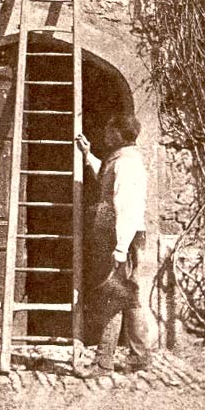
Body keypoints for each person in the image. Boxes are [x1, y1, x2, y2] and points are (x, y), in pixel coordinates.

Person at [75, 114, 152, 377]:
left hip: (124, 238)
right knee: (129, 297)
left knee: (113, 297)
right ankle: (140, 357)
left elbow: (127, 208)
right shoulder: (121, 160)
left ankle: (103, 363)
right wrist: (88, 155)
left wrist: (120, 248)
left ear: (120, 134)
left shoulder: (127, 164)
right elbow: (107, 180)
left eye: (110, 131)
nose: (106, 135)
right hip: (124, 236)